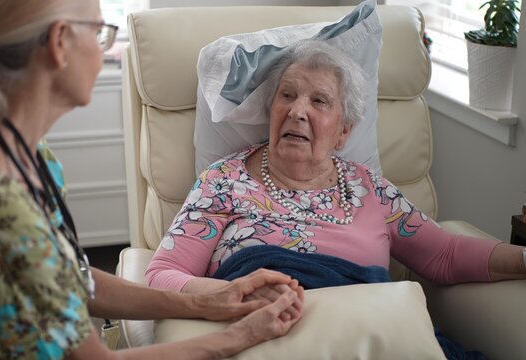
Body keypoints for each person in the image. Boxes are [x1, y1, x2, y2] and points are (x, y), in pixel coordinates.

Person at [0, 0, 305, 359]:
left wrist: (207, 302)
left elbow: (72, 276)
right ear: (59, 43)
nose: (108, 48)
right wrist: (239, 337)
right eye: (102, 33)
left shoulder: (28, 153)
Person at [145, 40, 526, 296]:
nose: (297, 111)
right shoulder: (224, 181)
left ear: (344, 131)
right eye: (288, 95)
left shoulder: (370, 190)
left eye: (319, 101)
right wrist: (233, 294)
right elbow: (162, 274)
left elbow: (446, 254)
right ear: (271, 110)